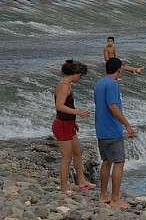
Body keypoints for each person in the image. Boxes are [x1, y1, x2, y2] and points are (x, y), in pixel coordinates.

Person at [94, 58, 135, 209]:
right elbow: (112, 106)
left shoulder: (99, 83)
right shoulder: (112, 84)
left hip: (101, 129)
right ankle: (115, 199)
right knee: (119, 162)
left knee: (106, 162)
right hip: (112, 129)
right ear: (119, 69)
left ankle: (103, 195)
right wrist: (127, 125)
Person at [52, 60, 95, 196]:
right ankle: (64, 188)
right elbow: (59, 106)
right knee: (66, 157)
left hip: (68, 124)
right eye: (80, 75)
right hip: (62, 125)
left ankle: (81, 181)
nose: (80, 78)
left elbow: (67, 107)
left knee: (78, 152)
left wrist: (74, 121)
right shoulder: (64, 86)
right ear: (75, 74)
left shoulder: (67, 85)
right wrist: (78, 113)